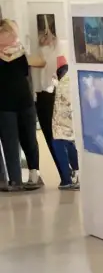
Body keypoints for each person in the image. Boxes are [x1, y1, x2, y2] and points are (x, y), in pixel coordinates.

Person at [0, 20, 43, 191]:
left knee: (29, 139)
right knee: (10, 143)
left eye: (8, 31)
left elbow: (29, 71)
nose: (7, 35)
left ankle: (34, 175)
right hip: (5, 105)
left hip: (24, 101)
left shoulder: (22, 51)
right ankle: (15, 180)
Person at [32, 26, 60, 171]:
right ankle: (66, 174)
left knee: (54, 135)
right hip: (43, 94)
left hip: (50, 94)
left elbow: (47, 74)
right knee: (51, 135)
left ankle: (67, 174)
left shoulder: (57, 50)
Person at [51, 57, 80, 190]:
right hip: (73, 120)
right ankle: (78, 172)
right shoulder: (71, 77)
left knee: (58, 142)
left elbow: (47, 87)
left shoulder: (62, 82)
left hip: (61, 121)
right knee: (69, 141)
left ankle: (67, 180)